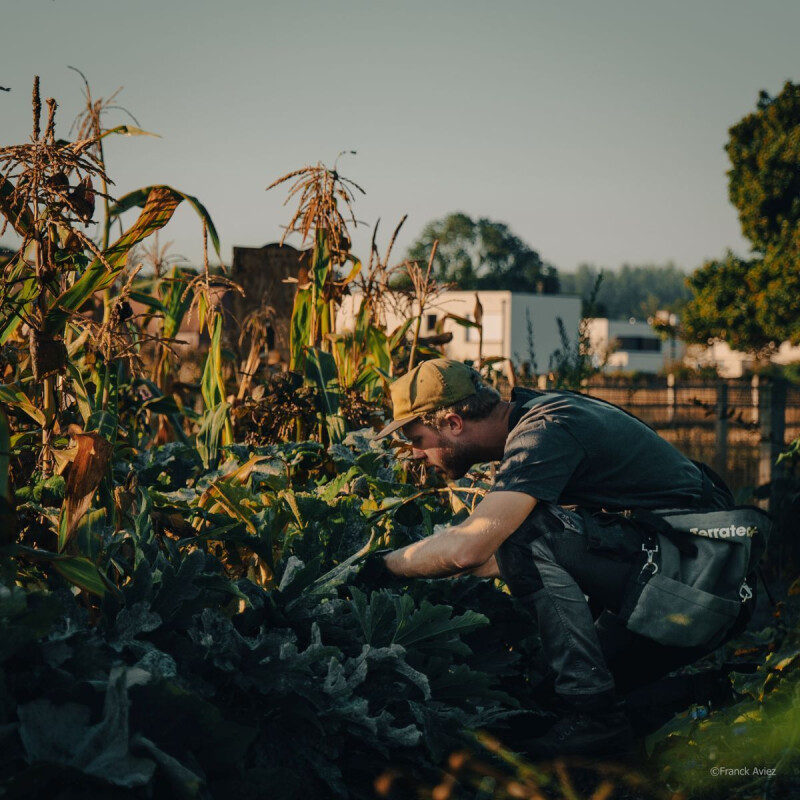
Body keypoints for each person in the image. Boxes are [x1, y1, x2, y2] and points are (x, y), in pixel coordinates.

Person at [372, 358, 738, 758]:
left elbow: (472, 548)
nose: (415, 454)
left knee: (526, 534)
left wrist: (384, 565)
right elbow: (491, 558)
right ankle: (713, 694)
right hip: (681, 574)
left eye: (417, 439)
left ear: (454, 423)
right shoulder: (538, 412)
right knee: (547, 695)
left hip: (703, 580)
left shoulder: (543, 431)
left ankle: (597, 720)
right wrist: (445, 563)